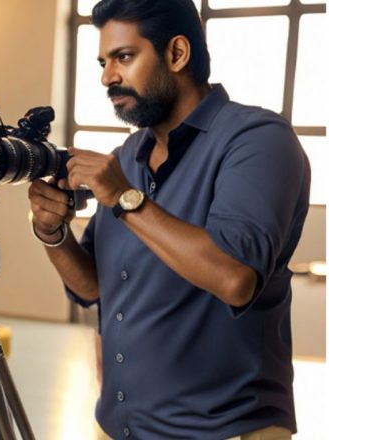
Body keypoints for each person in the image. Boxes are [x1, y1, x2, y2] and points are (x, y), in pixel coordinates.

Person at [28, 1, 310, 439]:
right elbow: (93, 287)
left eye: (124, 57)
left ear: (177, 54)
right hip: (119, 428)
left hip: (224, 431)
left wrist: (124, 198)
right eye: (103, 63)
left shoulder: (258, 140)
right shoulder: (128, 157)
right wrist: (53, 232)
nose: (107, 77)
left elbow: (235, 278)